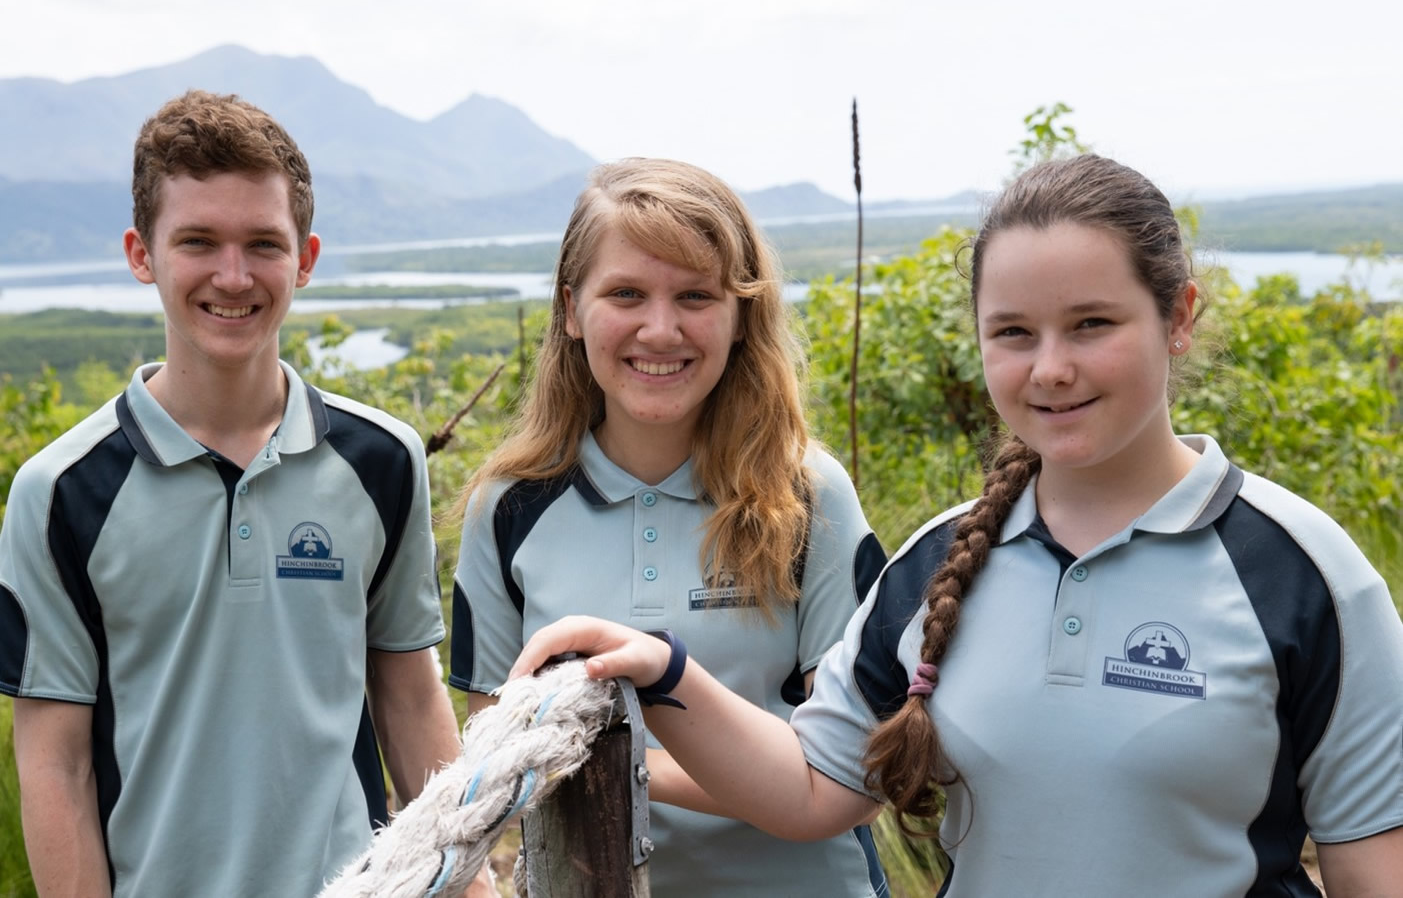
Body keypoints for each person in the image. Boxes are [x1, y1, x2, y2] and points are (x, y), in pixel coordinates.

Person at [505, 154, 1403, 896]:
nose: (1050, 368)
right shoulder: (934, 564)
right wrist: (665, 673)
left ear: (1176, 317)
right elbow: (816, 788)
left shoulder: (1300, 576)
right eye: (1012, 332)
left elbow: (1373, 868)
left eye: (1091, 324)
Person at [0, 90, 469, 898]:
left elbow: (408, 692)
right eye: (198, 242)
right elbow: (56, 762)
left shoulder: (382, 460)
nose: (233, 275)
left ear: (306, 258)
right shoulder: (60, 492)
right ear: (140, 254)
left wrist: (467, 883)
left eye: (263, 243)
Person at [450, 157, 890, 897]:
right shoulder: (509, 507)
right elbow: (496, 763)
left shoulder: (809, 496)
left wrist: (616, 765)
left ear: (741, 313)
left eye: (695, 295)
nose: (660, 329)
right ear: (569, 309)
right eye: (625, 293)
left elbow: (854, 773)